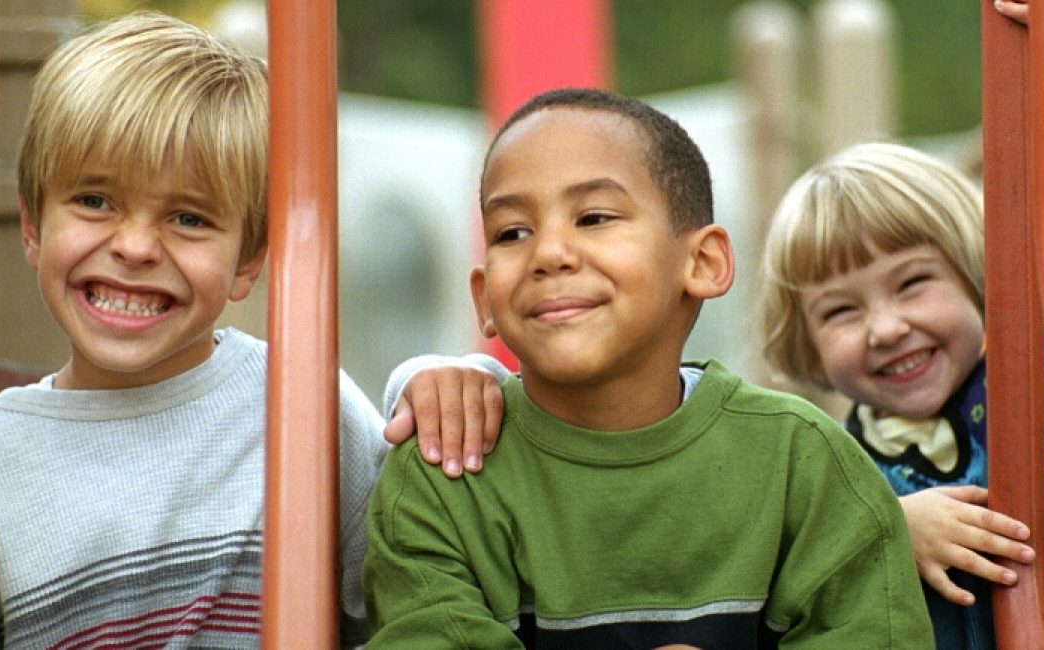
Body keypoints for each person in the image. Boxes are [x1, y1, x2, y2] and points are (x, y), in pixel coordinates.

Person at [0, 12, 504, 648]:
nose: (135, 246)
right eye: (95, 201)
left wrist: (446, 384)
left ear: (249, 261)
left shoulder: (300, 406)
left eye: (188, 217)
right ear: (33, 226)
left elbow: (424, 583)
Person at [364, 87, 934, 648]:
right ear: (485, 299)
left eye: (593, 217)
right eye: (513, 232)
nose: (549, 254)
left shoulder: (803, 462)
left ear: (703, 262)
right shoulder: (441, 475)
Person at [757, 10, 1044, 648]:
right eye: (841, 311)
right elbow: (784, 575)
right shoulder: (830, 463)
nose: (886, 327)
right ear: (806, 345)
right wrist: (889, 528)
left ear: (978, 279)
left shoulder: (1043, 370)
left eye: (912, 284)